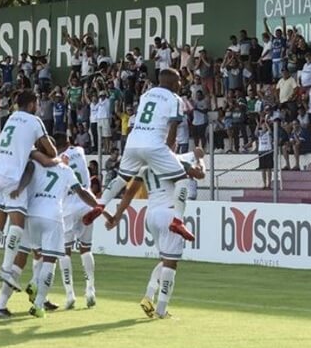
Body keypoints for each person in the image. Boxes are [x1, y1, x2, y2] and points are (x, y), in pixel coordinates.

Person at [0, 147, 102, 319]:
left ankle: (0, 304)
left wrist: (19, 189)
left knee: (20, 259)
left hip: (31, 215)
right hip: (52, 217)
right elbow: (81, 191)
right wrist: (96, 204)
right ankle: (39, 304)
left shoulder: (35, 164)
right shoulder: (66, 169)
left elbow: (26, 175)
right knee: (49, 261)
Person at [96, 68, 194, 241]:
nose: (180, 83)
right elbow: (173, 128)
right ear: (172, 82)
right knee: (183, 180)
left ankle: (100, 205)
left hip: (133, 142)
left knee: (121, 178)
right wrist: (169, 151)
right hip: (154, 145)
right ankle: (178, 221)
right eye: (179, 80)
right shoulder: (175, 99)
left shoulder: (146, 95)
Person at [107, 150, 205, 319]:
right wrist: (200, 159)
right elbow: (200, 174)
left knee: (164, 260)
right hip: (169, 213)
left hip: (151, 215)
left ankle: (149, 295)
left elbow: (129, 193)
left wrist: (117, 215)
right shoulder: (173, 161)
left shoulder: (144, 166)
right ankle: (161, 309)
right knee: (171, 264)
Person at [0, 91, 59, 294]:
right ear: (32, 104)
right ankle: (7, 270)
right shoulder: (34, 120)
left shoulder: (11, 118)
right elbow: (51, 151)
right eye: (37, 103)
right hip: (11, 176)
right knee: (17, 226)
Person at [53, 133, 98, 309]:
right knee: (86, 249)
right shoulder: (79, 151)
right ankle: (90, 289)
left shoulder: (57, 161)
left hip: (68, 208)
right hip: (87, 204)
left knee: (65, 252)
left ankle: (70, 294)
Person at [256, 119, 274, 189]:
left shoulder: (268, 133)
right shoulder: (260, 133)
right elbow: (255, 133)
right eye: (263, 126)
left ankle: (269, 184)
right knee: (263, 169)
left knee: (269, 169)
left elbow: (270, 131)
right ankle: (264, 184)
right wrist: (258, 125)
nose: (264, 127)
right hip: (261, 151)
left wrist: (266, 123)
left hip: (268, 151)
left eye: (265, 126)